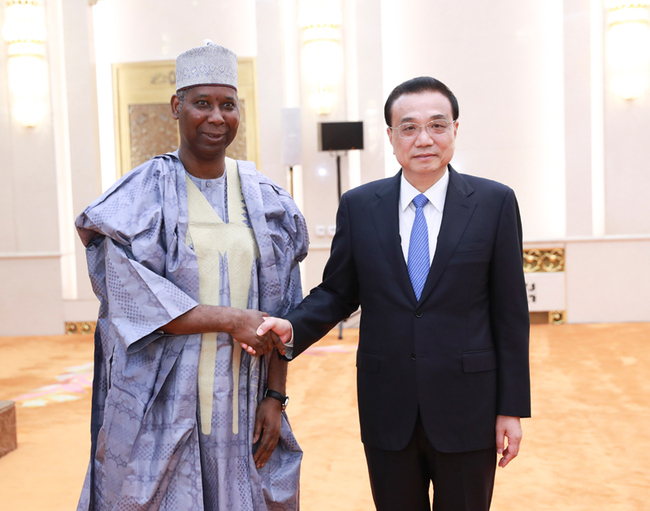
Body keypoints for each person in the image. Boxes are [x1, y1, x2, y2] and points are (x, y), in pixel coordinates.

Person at [258, 76, 531, 510]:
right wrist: (293, 325)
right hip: (388, 406)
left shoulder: (494, 203)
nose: (424, 138)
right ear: (391, 137)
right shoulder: (360, 206)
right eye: (409, 127)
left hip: (468, 407)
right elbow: (339, 292)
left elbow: (510, 314)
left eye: (437, 126)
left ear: (455, 130)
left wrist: (510, 409)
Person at [75, 40, 308, 511]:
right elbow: (130, 296)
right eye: (202, 103)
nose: (216, 117)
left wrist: (275, 396)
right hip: (164, 401)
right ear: (177, 106)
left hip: (244, 401)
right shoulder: (143, 193)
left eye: (228, 104)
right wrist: (229, 319)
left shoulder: (266, 199)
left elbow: (285, 311)